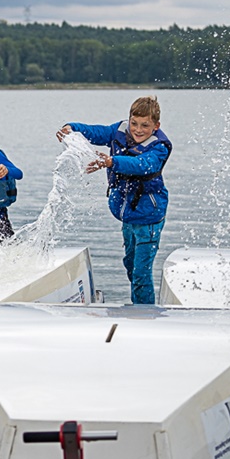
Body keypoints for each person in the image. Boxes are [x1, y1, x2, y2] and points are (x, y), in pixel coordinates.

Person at [57, 96, 172, 305]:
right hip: (129, 215)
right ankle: (139, 303)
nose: (138, 130)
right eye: (134, 123)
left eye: (145, 125)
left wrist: (111, 161)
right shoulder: (119, 131)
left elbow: (143, 164)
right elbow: (97, 132)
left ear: (156, 126)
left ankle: (145, 313)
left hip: (149, 218)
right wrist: (72, 128)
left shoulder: (159, 148)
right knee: (130, 264)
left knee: (141, 274)